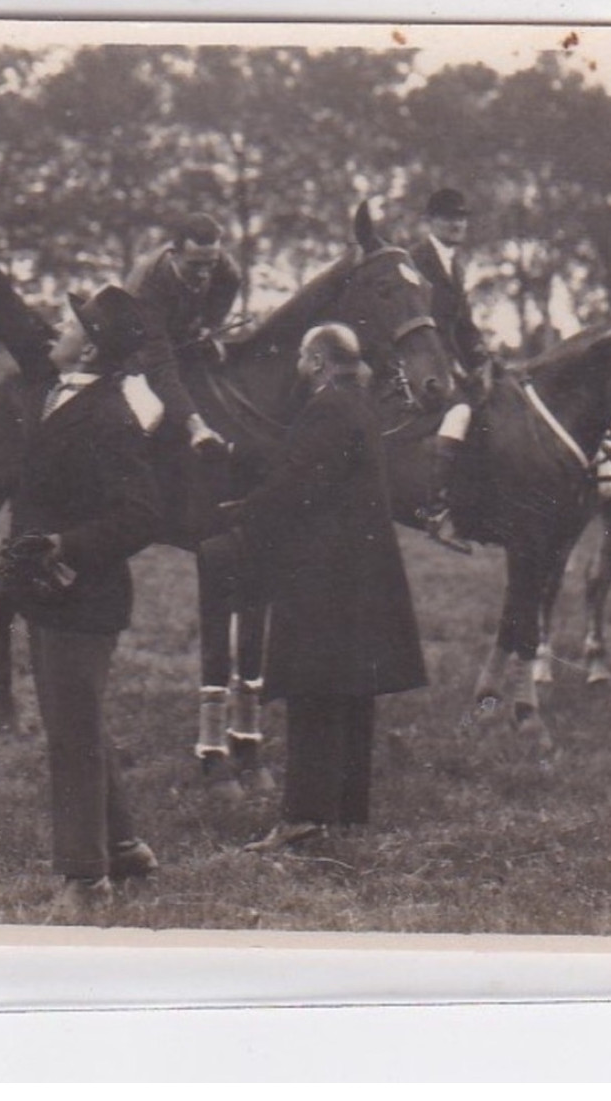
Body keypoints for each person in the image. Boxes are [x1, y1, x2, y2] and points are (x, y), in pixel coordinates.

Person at [0, 193, 164, 922]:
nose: (57, 327)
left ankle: (84, 878)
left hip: (83, 594)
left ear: (92, 347)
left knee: (70, 736)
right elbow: (10, 314)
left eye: (71, 322)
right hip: (48, 590)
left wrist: (68, 545)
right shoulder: (53, 379)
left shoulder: (110, 417)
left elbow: (141, 514)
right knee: (82, 719)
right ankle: (124, 844)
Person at [217, 323, 428, 852]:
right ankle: (344, 810)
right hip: (359, 577)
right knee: (350, 693)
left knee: (314, 693)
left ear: (314, 360)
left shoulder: (326, 407)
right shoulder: (357, 404)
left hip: (324, 576)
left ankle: (303, 818)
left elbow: (298, 484)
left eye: (300, 359)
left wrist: (243, 512)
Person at [408, 186, 496, 554]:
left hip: (448, 359)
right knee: (460, 410)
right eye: (448, 217)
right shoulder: (415, 261)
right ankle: (435, 506)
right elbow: (419, 324)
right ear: (429, 222)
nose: (457, 224)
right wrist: (454, 367)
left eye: (462, 218)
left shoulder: (455, 265)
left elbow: (464, 325)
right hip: (419, 361)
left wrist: (484, 358)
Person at [123, 213, 242, 455]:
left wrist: (209, 326)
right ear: (173, 254)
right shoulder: (146, 287)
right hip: (140, 350)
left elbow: (230, 285)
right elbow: (159, 365)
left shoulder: (222, 266)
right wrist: (196, 426)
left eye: (210, 264)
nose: (204, 274)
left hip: (181, 336)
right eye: (195, 265)